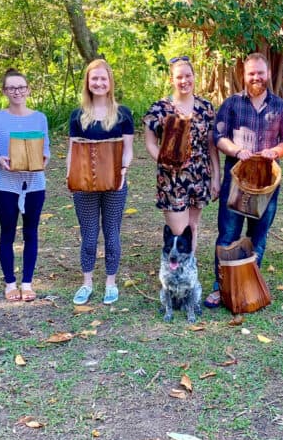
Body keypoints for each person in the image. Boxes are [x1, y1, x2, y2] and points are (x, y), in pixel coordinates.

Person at [204, 52, 283, 308]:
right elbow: (218, 137)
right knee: (228, 234)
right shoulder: (231, 104)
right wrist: (236, 151)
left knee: (258, 236)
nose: (256, 77)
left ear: (268, 74)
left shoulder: (281, 107)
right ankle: (221, 288)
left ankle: (249, 285)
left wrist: (274, 152)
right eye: (251, 73)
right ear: (243, 75)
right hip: (237, 176)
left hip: (266, 180)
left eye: (260, 73)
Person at [68, 58, 134, 306]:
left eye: (103, 78)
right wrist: (69, 177)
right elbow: (72, 151)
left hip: (115, 183)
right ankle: (86, 283)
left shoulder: (123, 114)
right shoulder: (78, 116)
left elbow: (128, 149)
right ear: (88, 82)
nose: (98, 83)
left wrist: (123, 172)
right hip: (84, 184)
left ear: (110, 82)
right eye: (94, 78)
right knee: (88, 233)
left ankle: (110, 282)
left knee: (112, 232)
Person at [143, 56, 220, 252]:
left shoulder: (206, 108)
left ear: (194, 77)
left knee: (192, 227)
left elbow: (211, 146)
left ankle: (188, 271)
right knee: (178, 230)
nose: (184, 81)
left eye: (188, 76)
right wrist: (165, 161)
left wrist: (216, 178)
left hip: (199, 175)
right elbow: (150, 144)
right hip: (172, 179)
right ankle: (173, 272)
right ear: (172, 80)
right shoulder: (159, 109)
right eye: (179, 77)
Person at [0, 69, 50, 302]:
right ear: (4, 91)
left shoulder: (40, 117)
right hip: (6, 185)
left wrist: (44, 159)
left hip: (34, 183)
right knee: (7, 233)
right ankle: (9, 283)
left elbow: (46, 149)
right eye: (12, 88)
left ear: (28, 89)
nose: (17, 92)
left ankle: (27, 282)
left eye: (21, 87)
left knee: (31, 232)